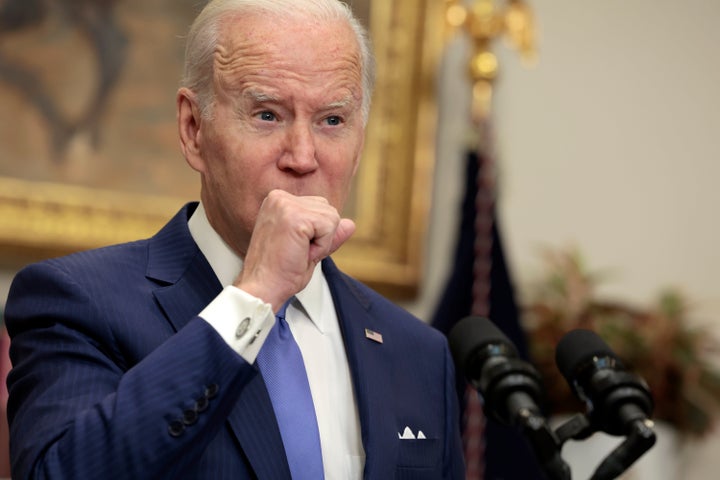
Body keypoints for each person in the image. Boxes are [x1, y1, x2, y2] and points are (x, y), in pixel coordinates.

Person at [4, 0, 465, 478]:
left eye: (332, 121)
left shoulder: (419, 352)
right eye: (267, 115)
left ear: (360, 140)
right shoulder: (78, 302)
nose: (303, 157)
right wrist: (256, 296)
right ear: (193, 129)